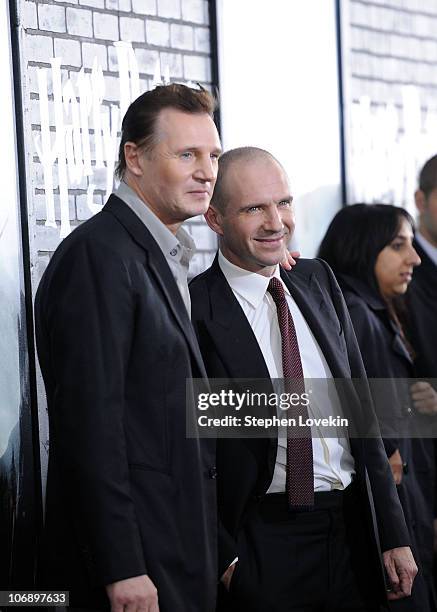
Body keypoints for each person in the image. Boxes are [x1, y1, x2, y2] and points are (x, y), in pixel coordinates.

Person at [189, 147, 417, 612]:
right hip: (265, 543)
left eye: (284, 203)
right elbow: (187, 454)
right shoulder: (195, 310)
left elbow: (363, 416)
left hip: (355, 533)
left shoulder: (317, 281)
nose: (277, 222)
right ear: (214, 219)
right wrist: (227, 561)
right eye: (255, 208)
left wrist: (392, 533)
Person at [35, 84, 222, 612]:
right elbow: (91, 426)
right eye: (186, 154)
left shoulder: (164, 255)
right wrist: (123, 567)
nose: (207, 171)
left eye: (213, 155)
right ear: (133, 158)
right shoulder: (101, 256)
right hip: (131, 572)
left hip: (176, 553)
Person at [318, 203, 437, 611]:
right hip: (389, 513)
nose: (415, 258)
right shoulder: (357, 314)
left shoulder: (378, 311)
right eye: (397, 245)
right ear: (363, 249)